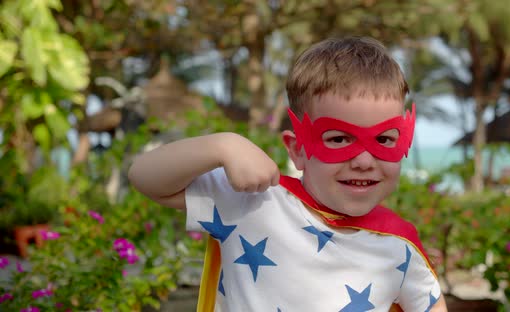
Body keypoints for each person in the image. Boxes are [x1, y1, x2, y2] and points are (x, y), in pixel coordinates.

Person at [128, 36, 447, 312]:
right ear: (297, 149)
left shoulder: (400, 245)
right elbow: (145, 178)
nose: (364, 160)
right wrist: (221, 145)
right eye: (338, 139)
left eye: (384, 140)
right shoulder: (253, 204)